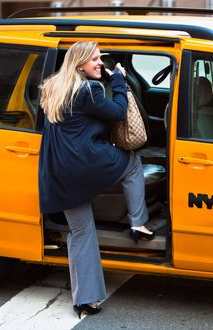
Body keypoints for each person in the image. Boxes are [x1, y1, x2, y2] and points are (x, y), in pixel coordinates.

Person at [38, 41, 154, 318]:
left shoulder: (54, 87)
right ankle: (138, 222)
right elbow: (116, 112)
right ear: (79, 64)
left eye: (100, 59)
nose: (100, 63)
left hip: (59, 171)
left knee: (80, 232)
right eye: (95, 60)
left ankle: (85, 300)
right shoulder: (88, 90)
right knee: (133, 163)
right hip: (85, 163)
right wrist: (117, 80)